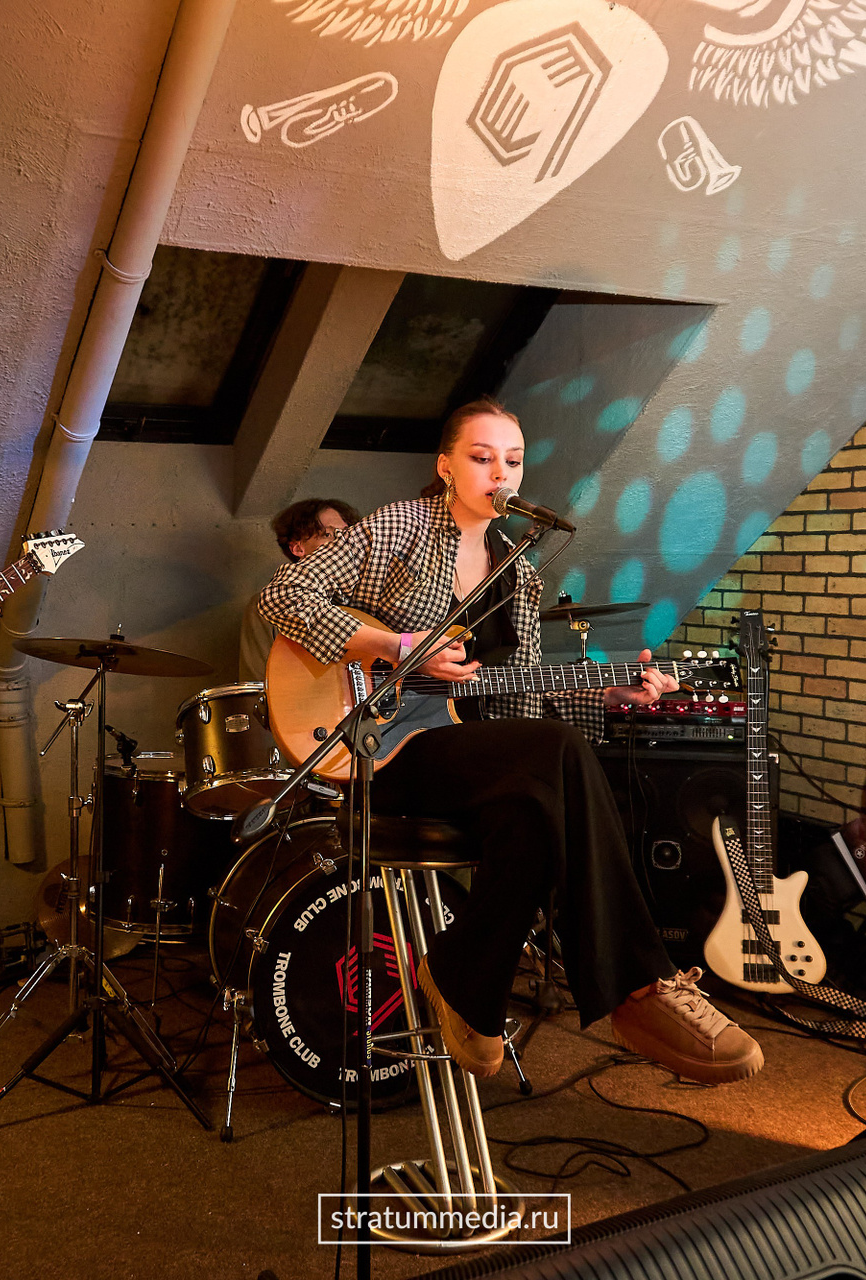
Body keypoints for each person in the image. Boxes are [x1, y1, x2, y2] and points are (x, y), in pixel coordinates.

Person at [258, 398, 762, 1085]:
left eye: (514, 461)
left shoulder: (517, 570)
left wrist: (605, 694)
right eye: (482, 457)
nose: (501, 473)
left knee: (533, 816)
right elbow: (283, 596)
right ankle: (640, 984)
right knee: (555, 755)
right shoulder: (400, 528)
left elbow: (515, 694)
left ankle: (463, 983)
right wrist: (396, 646)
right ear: (446, 466)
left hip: (460, 746)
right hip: (378, 742)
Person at [238, 497, 359, 682]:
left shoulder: (368, 595)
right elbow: (257, 684)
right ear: (297, 548)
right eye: (328, 534)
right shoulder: (268, 604)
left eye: (347, 534)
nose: (342, 542)